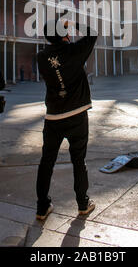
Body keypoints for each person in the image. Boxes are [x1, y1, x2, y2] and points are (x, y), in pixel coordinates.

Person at [36, 18, 97, 220]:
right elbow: (93, 34)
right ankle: (82, 204)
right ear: (65, 34)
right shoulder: (74, 52)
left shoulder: (41, 57)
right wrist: (74, 23)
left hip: (53, 116)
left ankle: (42, 207)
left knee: (47, 161)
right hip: (77, 115)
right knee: (78, 161)